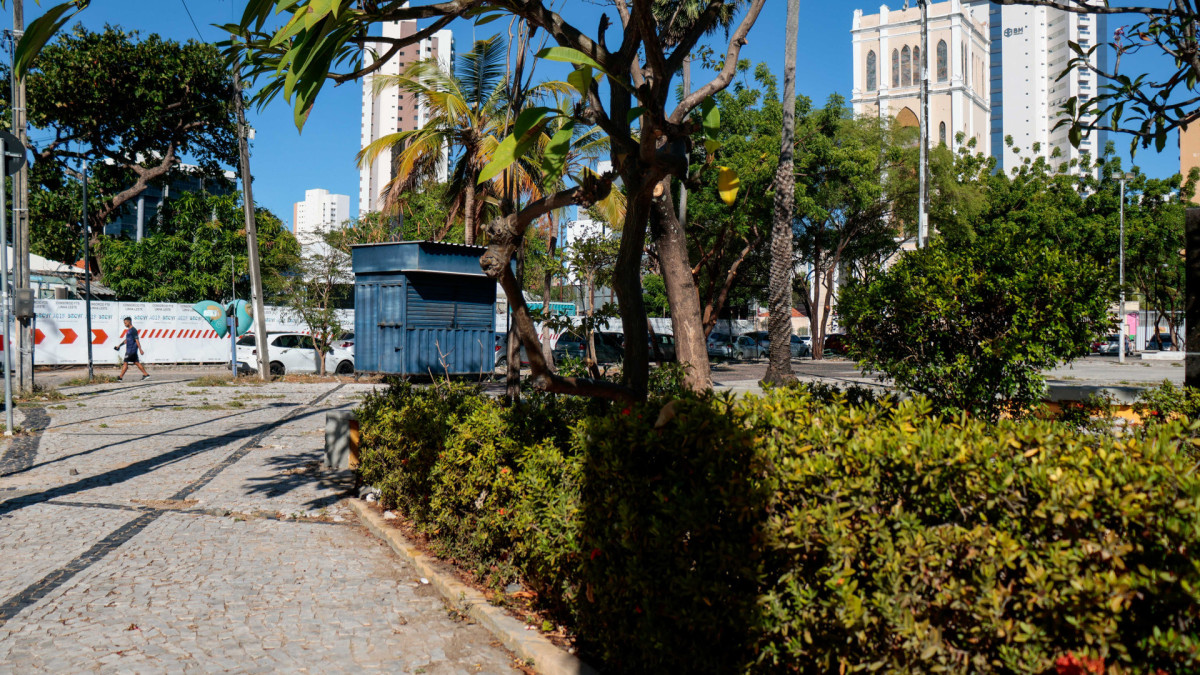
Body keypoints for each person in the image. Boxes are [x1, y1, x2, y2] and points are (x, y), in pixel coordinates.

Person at [116, 317, 149, 381]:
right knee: (136, 362)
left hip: (131, 350)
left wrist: (140, 349)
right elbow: (126, 340)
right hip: (130, 350)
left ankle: (120, 377)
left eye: (125, 323)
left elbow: (137, 340)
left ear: (129, 322)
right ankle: (146, 374)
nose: (124, 324)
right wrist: (119, 345)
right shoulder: (129, 330)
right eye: (124, 323)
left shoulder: (133, 330)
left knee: (125, 363)